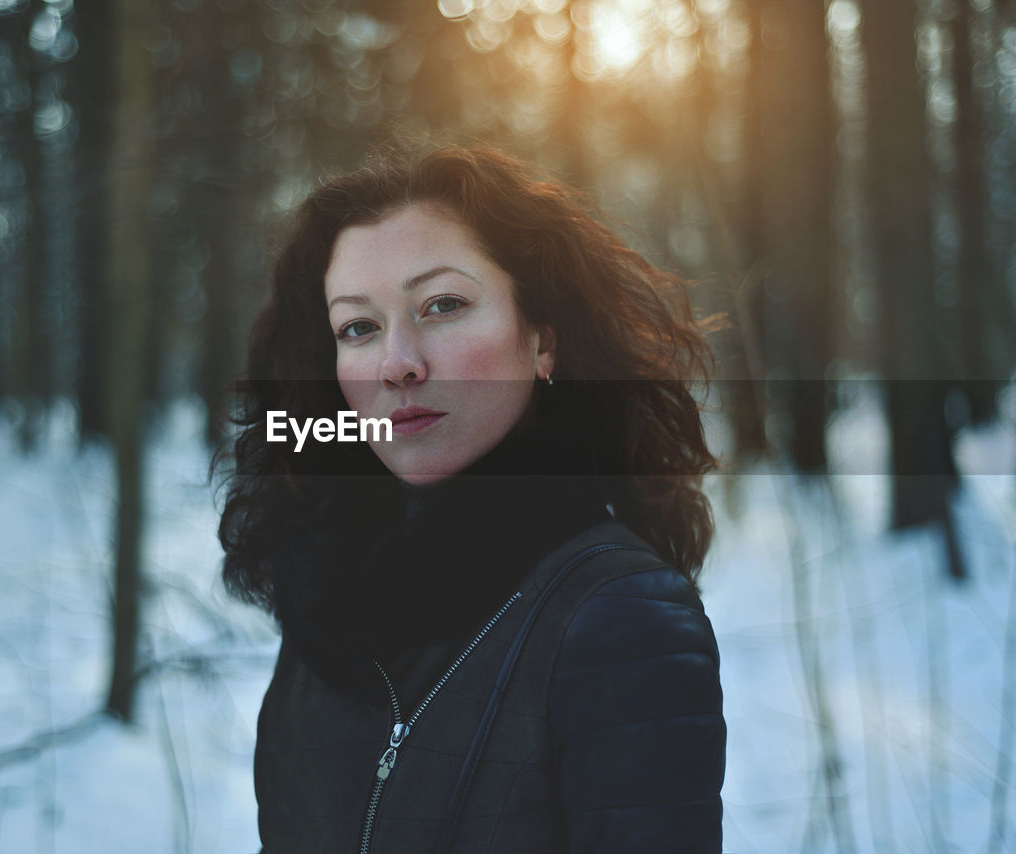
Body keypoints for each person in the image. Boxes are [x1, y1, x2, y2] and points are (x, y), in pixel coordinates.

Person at [219, 145, 725, 853]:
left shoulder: (620, 619)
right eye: (358, 327)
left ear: (542, 342)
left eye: (442, 305)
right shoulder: (327, 592)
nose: (398, 363)